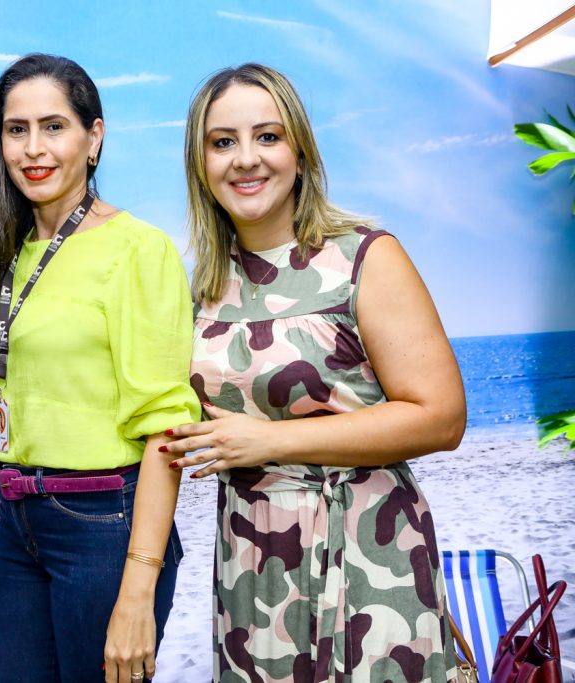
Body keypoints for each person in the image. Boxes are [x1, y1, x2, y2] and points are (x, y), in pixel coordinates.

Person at [166, 64, 467, 682]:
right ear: (201, 164)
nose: (245, 159)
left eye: (267, 137)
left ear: (300, 151)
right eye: (223, 142)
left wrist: (270, 440)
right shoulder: (195, 287)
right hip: (253, 567)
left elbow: (441, 417)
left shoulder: (364, 255)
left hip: (366, 555)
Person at [0, 53, 200, 683]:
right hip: (17, 527)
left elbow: (166, 428)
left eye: (54, 126)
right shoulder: (3, 253)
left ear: (94, 136)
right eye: (15, 129)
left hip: (104, 528)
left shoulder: (138, 248)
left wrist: (138, 588)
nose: (33, 148)